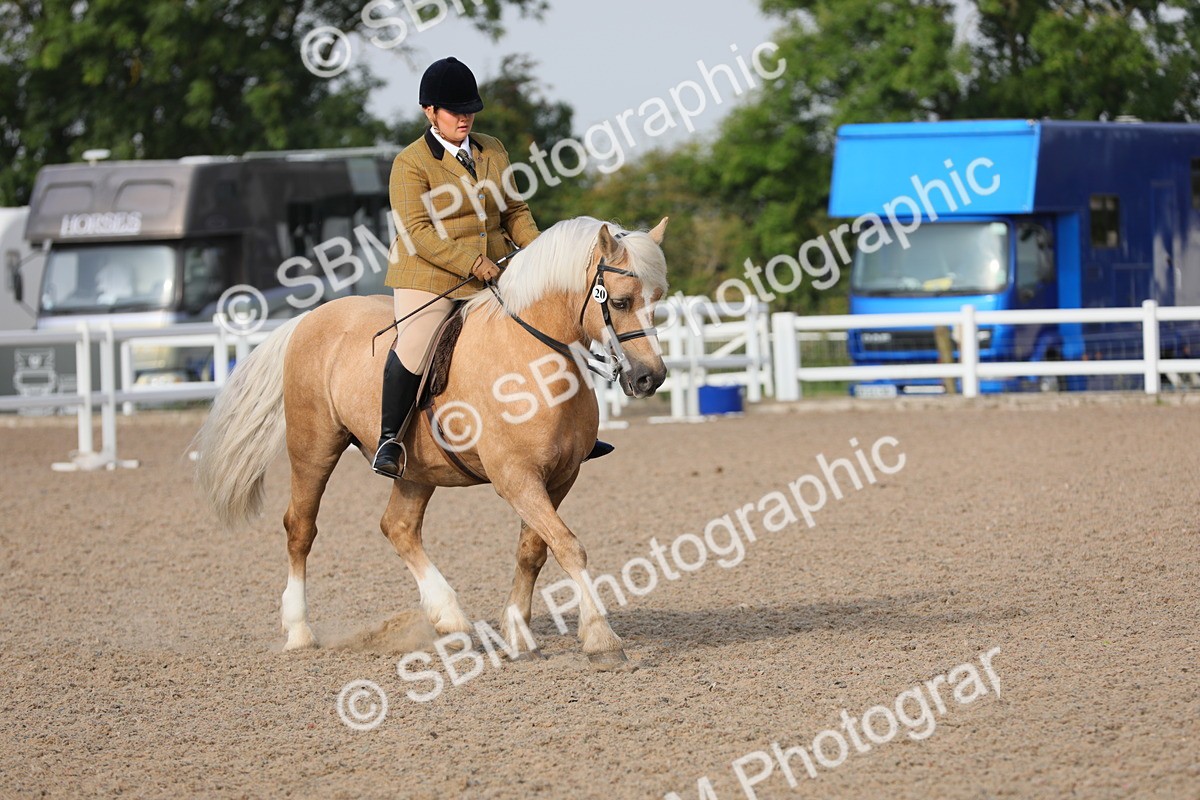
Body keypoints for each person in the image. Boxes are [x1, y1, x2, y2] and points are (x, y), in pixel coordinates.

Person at [372, 56, 540, 477]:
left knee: (547, 321)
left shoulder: (492, 149)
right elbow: (417, 232)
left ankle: (566, 428)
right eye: (455, 111)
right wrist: (472, 261)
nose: (465, 118)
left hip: (494, 270)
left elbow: (514, 210)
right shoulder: (411, 163)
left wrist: (539, 252)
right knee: (416, 343)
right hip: (430, 274)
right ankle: (389, 440)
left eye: (470, 110)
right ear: (429, 111)